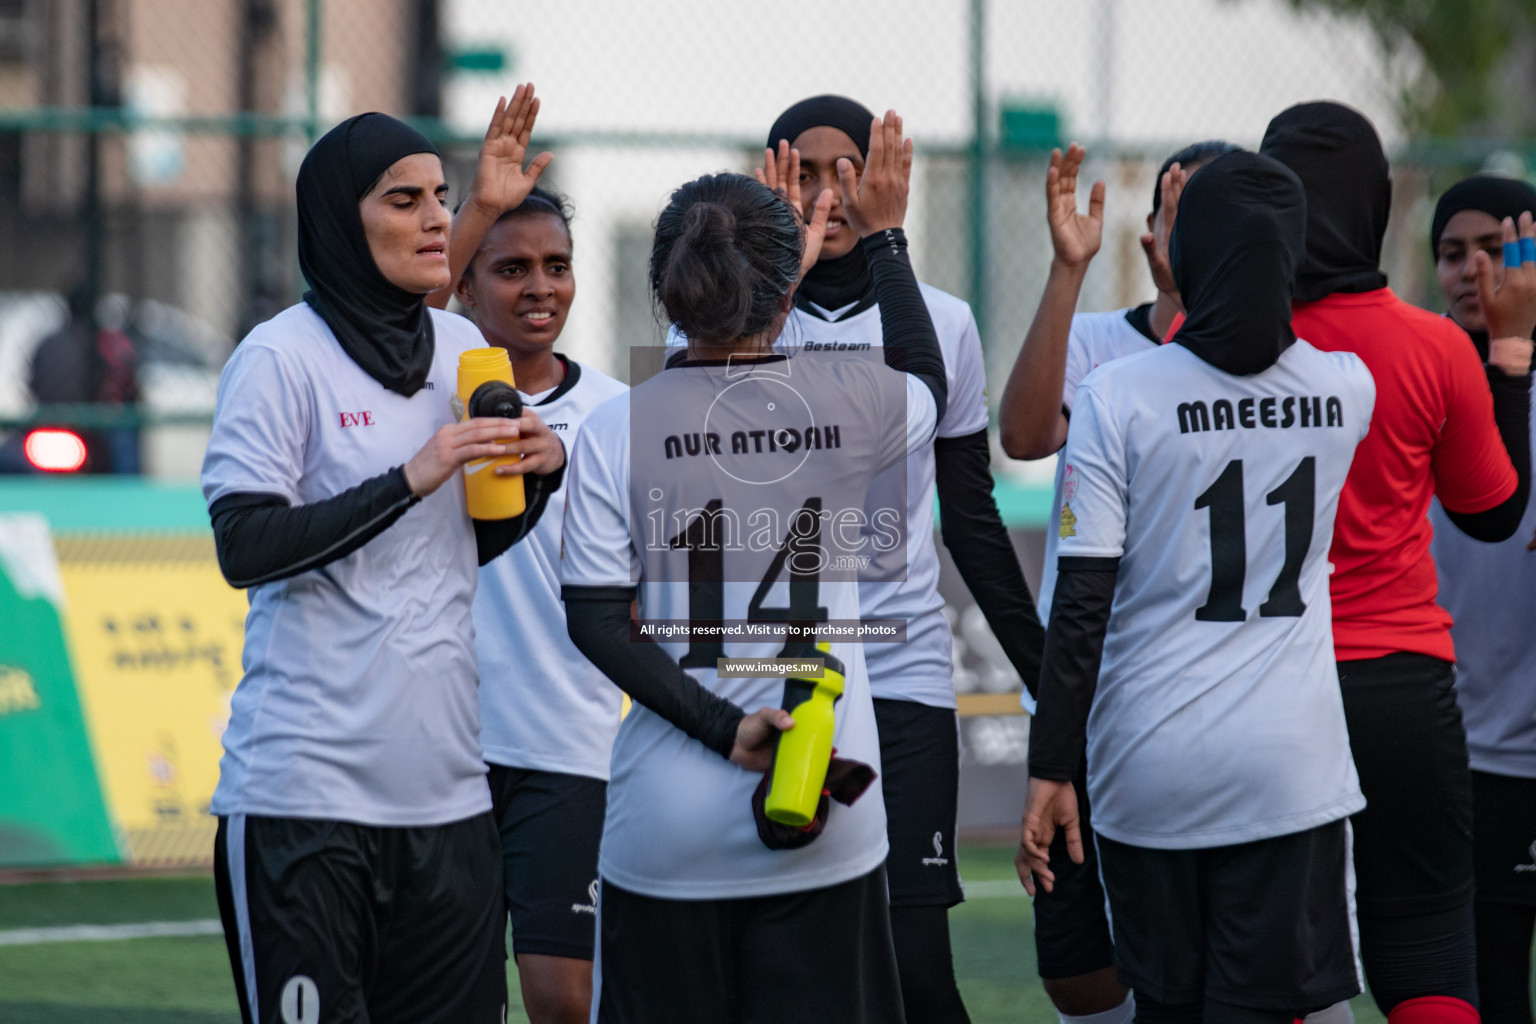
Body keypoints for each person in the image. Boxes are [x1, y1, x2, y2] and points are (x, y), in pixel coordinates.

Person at [560, 111, 945, 1023]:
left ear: (665, 287)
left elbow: (593, 619)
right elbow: (929, 378)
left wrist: (726, 729)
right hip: (818, 812)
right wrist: (884, 237)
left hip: (666, 828)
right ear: (788, 289)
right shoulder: (854, 401)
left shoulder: (620, 424)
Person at [201, 111, 567, 1024]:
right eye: (404, 200)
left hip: (449, 804)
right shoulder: (278, 358)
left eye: (440, 197)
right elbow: (244, 547)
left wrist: (539, 479)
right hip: (303, 804)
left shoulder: (459, 349)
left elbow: (465, 546)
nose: (437, 218)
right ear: (337, 219)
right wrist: (411, 475)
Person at [1019, 148, 1373, 1024]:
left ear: (1185, 252)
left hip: (1150, 769)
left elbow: (1082, 603)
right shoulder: (1346, 389)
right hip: (1292, 771)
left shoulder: (1116, 395)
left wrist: (1051, 766)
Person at [747, 94, 1044, 1024]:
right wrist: (770, 275)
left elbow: (973, 517)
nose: (831, 193)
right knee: (789, 957)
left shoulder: (942, 320)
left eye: (850, 169)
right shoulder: (733, 319)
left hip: (906, 665)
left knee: (916, 965)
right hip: (777, 666)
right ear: (773, 178)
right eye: (806, 172)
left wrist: (1053, 681)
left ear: (886, 179)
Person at [1261, 101, 1535, 1024]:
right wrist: (1509, 362)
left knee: (1274, 961)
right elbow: (1493, 512)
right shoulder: (1430, 347)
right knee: (1425, 956)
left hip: (1264, 682)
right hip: (1401, 684)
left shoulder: (1206, 347)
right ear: (1377, 204)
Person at [446, 100, 628, 1024]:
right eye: (510, 268)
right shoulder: (430, 392)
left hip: (573, 749)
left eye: (556, 266)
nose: (539, 287)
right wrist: (473, 204)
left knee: (564, 998)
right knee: (454, 996)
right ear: (467, 288)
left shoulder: (620, 412)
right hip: (444, 750)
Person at [1426, 174, 1536, 1024]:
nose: (1474, 272)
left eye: (1495, 251)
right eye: (1453, 254)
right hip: (1456, 756)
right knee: (1482, 990)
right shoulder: (1416, 385)